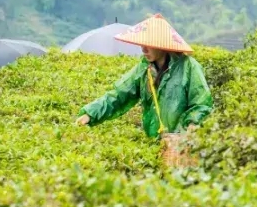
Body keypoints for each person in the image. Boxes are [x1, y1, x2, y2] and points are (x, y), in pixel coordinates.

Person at [75, 14, 214, 138]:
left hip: (180, 144)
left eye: (149, 44)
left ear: (161, 43)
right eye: (142, 43)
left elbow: (202, 104)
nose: (143, 49)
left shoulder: (188, 67)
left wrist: (190, 128)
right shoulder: (144, 68)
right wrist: (90, 114)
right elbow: (119, 94)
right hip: (153, 143)